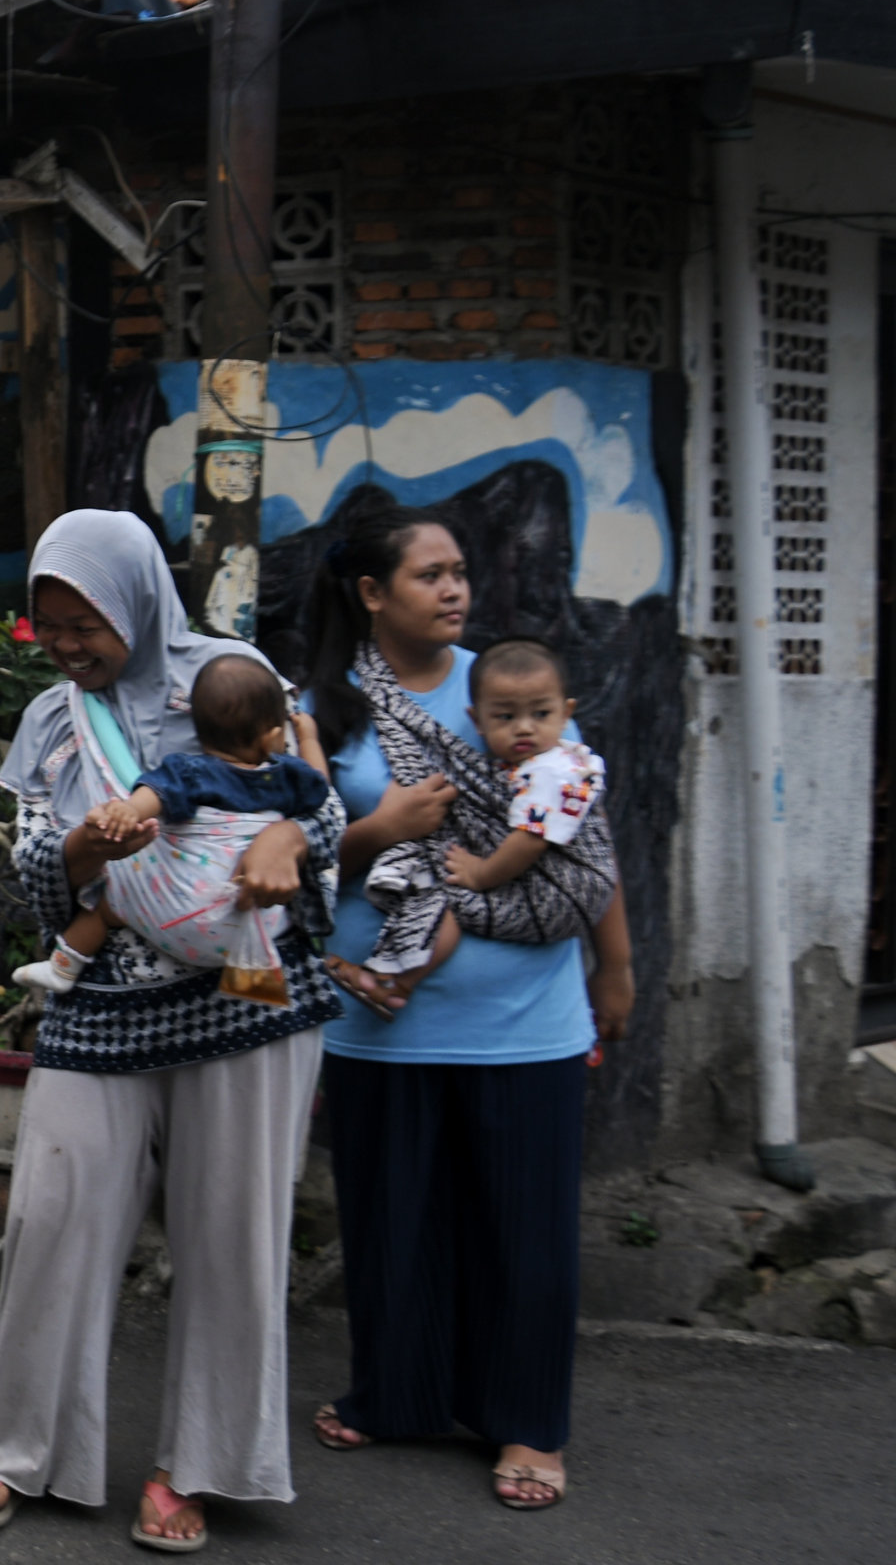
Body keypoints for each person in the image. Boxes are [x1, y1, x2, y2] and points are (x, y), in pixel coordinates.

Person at [0, 510, 341, 1551]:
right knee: (51, 1216)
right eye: (51, 621)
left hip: (246, 996)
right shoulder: (53, 721)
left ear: (140, 599)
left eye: (91, 619)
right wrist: (89, 838)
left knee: (232, 1235)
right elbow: (33, 877)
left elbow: (319, 805)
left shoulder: (232, 672)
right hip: (103, 1002)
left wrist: (290, 836)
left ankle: (197, 1464)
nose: (71, 642)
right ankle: (20, 1448)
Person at [298, 506, 634, 1514]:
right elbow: (288, 848)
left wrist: (614, 966)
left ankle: (526, 1419)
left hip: (525, 1018)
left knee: (524, 1227)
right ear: (371, 592)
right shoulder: (324, 702)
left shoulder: (513, 687)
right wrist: (377, 831)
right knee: (391, 1219)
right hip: (380, 1018)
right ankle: (396, 1392)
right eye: (431, 574)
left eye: (460, 574)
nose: (455, 589)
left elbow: (584, 836)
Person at [14, 654, 329, 1001]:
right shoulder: (287, 776)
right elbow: (322, 791)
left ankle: (64, 964)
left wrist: (128, 810)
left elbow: (156, 794)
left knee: (108, 905)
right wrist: (310, 739)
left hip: (179, 918)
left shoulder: (191, 770)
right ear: (272, 737)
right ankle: (249, 987)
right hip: (252, 918)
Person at [354, 635, 616, 1002]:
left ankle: (389, 981)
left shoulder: (556, 772)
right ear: (476, 720)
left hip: (562, 898)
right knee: (438, 904)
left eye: (541, 714)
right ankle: (391, 982)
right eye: (506, 717)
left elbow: (530, 839)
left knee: (436, 897)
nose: (524, 728)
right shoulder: (533, 766)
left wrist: (482, 873)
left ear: (566, 714)